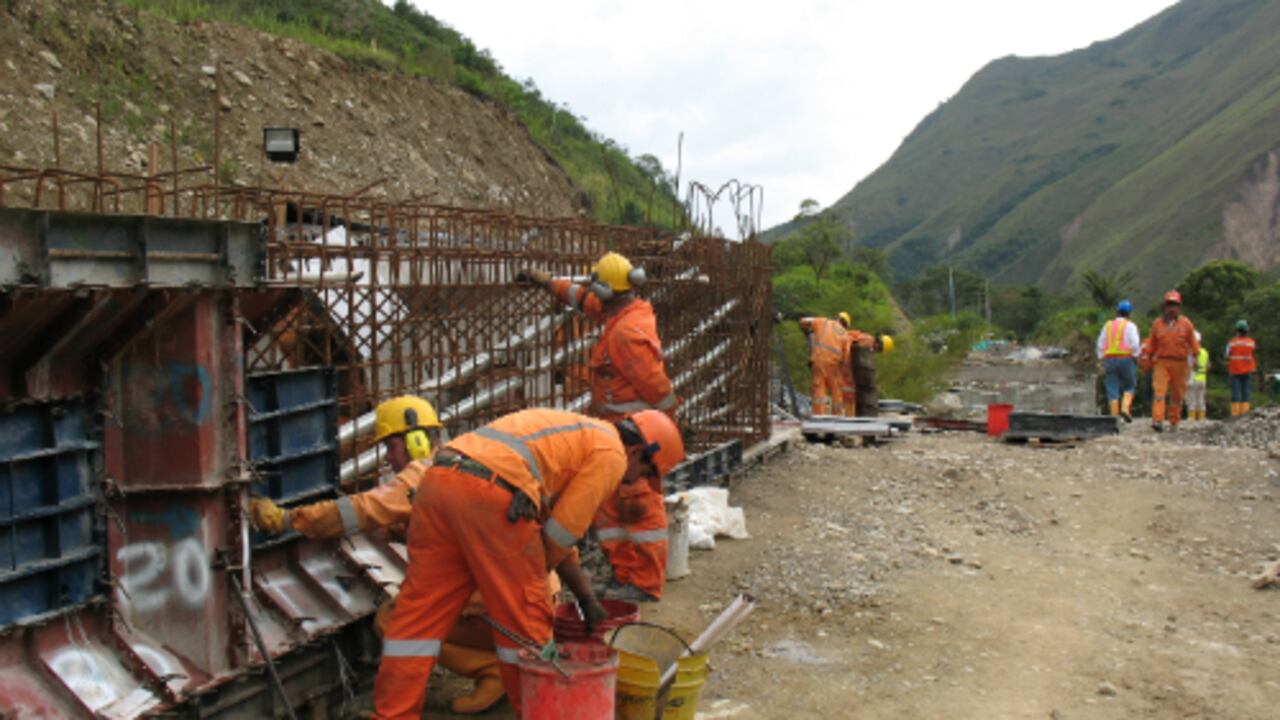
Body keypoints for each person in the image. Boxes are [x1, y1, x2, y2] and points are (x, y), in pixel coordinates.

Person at [372, 408, 685, 719]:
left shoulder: (577, 434)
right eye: (645, 473)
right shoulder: (611, 454)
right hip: (490, 493)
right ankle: (546, 713)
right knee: (526, 619)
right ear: (634, 450)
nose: (637, 482)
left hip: (440, 482)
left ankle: (392, 714)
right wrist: (530, 581)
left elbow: (555, 523)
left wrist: (585, 596)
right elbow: (562, 532)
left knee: (418, 616)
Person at [248, 397, 508, 715]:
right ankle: (498, 668)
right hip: (514, 598)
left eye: (391, 447)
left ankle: (490, 670)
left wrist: (286, 519)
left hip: (489, 608)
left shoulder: (425, 474)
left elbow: (358, 510)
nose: (387, 458)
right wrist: (400, 530)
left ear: (416, 441)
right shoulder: (460, 461)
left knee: (396, 620)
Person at [522, 252, 676, 603]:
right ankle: (625, 575)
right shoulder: (620, 311)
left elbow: (658, 388)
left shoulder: (625, 333)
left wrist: (666, 424)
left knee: (636, 507)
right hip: (616, 431)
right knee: (609, 506)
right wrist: (548, 282)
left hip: (635, 435)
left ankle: (646, 583)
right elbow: (583, 299)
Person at [1147, 290, 1200, 432]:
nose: (1172, 308)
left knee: (1177, 394)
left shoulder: (1186, 324)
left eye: (1174, 305)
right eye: (1169, 305)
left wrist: (1195, 358)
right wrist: (1148, 358)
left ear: (1179, 307)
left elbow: (1193, 344)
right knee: (1159, 391)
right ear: (1165, 306)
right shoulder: (1157, 324)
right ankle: (1157, 420)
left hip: (1181, 363)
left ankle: (1174, 421)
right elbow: (1151, 344)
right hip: (1161, 362)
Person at [1095, 300, 1141, 422]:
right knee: (1130, 386)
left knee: (1112, 388)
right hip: (1126, 359)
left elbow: (1100, 344)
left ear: (1117, 312)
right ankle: (1125, 409)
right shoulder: (1131, 326)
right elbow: (1135, 344)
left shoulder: (1108, 325)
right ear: (1129, 313)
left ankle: (1114, 417)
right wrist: (1136, 357)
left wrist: (1101, 358)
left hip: (1109, 359)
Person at [800, 312, 851, 416]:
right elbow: (846, 358)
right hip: (834, 365)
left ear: (837, 317)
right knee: (836, 390)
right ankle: (837, 416)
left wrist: (806, 329)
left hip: (818, 361)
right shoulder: (846, 335)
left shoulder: (823, 322)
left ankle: (818, 416)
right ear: (846, 325)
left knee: (818, 389)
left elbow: (804, 321)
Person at [1226, 319, 1257, 416]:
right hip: (1247, 370)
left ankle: (1235, 414)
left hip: (1235, 370)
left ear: (1237, 330)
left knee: (1236, 392)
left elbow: (1226, 355)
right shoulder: (1251, 342)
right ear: (1247, 331)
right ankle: (1245, 412)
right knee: (1246, 391)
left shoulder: (1232, 342)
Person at [1185, 332, 1209, 420]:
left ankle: (1192, 417)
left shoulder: (1190, 352)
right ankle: (1202, 417)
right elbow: (1207, 365)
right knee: (1201, 399)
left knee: (1192, 399)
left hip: (1193, 377)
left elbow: (1191, 365)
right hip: (1203, 378)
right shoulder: (1205, 352)